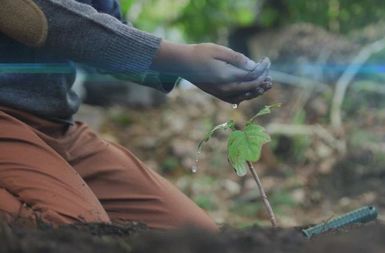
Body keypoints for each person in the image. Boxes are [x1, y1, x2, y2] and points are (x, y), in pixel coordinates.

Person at [0, 0, 272, 231]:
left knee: (192, 236)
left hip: (54, 125)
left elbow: (103, 26)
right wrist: (178, 58)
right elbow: (32, 15)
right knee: (72, 231)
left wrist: (192, 67)